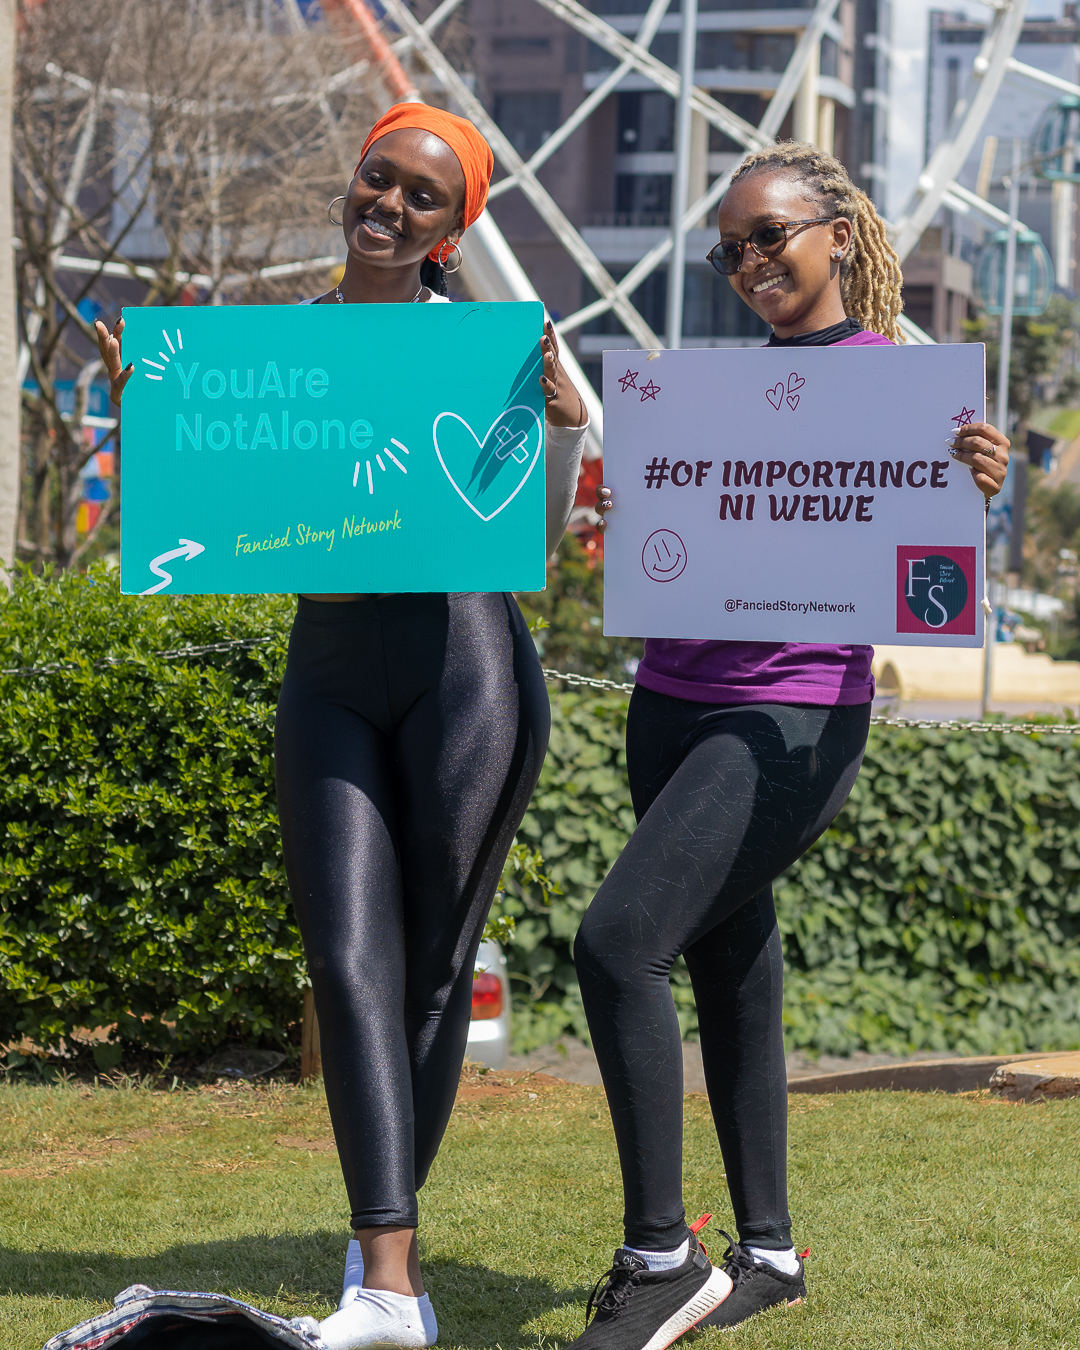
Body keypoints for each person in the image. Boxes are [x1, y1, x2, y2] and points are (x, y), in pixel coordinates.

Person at [96, 103, 589, 1350]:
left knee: (428, 973)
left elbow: (530, 553)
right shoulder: (277, 352)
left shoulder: (484, 350)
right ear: (354, 180)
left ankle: (386, 1276)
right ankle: (385, 1277)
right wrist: (160, 419)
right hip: (328, 668)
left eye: (424, 197)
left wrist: (567, 423)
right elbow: (220, 528)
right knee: (345, 964)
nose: (390, 206)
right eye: (380, 179)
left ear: (453, 228)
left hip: (464, 667)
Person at [571, 142, 1009, 1350]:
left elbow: (935, 562)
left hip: (789, 713)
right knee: (728, 959)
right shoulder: (712, 394)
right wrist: (627, 493)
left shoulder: (910, 387)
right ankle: (769, 1251)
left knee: (616, 945)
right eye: (730, 247)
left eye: (770, 234)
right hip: (669, 698)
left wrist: (980, 485)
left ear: (838, 234)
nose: (749, 260)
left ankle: (660, 1258)